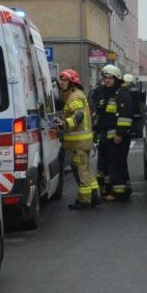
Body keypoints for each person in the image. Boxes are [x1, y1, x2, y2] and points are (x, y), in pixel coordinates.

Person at [58, 69, 101, 210]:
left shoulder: (75, 97)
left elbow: (78, 115)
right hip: (83, 142)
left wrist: (64, 124)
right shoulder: (76, 95)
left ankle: (84, 201)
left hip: (79, 143)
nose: (61, 82)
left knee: (81, 171)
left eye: (64, 80)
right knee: (86, 169)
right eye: (61, 80)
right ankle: (95, 196)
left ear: (71, 82)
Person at [92, 64, 134, 200]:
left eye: (111, 78)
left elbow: (126, 117)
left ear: (117, 79)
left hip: (118, 137)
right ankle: (111, 189)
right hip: (106, 136)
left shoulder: (122, 95)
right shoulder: (105, 93)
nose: (108, 80)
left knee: (117, 163)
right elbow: (101, 116)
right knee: (108, 164)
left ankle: (119, 193)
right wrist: (96, 130)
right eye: (105, 78)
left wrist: (120, 134)